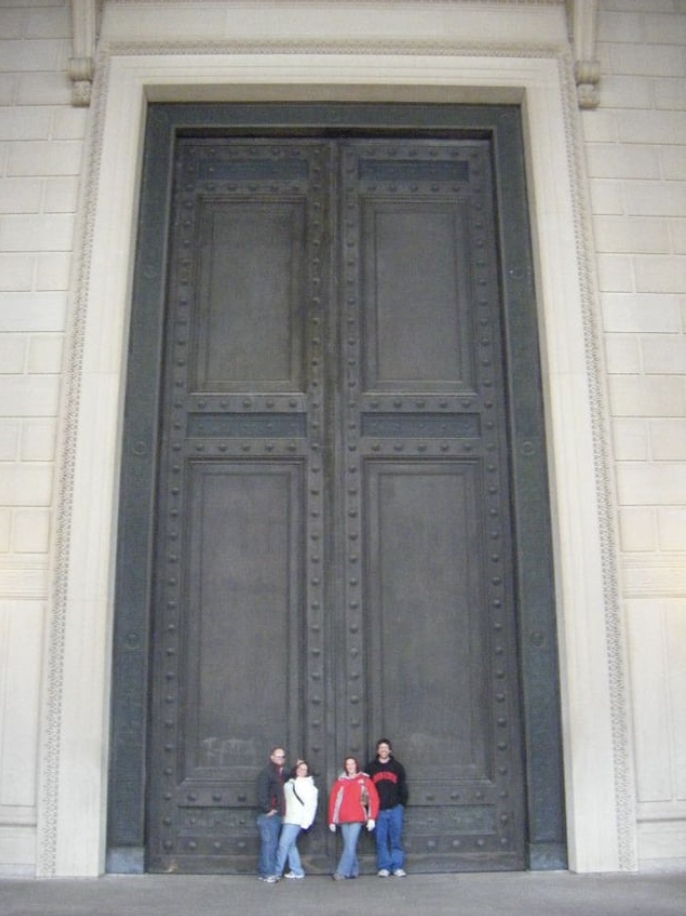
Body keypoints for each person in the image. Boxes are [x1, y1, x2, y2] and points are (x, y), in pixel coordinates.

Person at [266, 758, 319, 882]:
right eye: (300, 768)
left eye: (304, 770)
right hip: (288, 817)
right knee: (290, 845)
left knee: (283, 845)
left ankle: (276, 873)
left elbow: (311, 806)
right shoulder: (290, 782)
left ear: (307, 772)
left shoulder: (310, 787)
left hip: (296, 819)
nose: (301, 771)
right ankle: (297, 870)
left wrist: (306, 822)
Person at [328, 756, 379, 880]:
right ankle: (353, 871)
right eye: (348, 764)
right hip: (343, 818)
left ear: (356, 765)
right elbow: (334, 801)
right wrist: (331, 820)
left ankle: (341, 872)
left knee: (350, 845)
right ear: (345, 766)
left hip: (357, 817)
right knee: (349, 845)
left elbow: (372, 799)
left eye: (352, 764)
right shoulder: (340, 782)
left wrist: (372, 817)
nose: (350, 766)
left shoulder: (365, 780)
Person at [365, 738, 409, 877]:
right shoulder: (371, 768)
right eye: (381, 748)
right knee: (381, 839)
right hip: (378, 810)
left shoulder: (397, 767)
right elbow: (365, 789)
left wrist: (401, 803)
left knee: (396, 839)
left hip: (395, 808)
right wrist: (368, 808)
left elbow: (403, 786)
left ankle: (397, 866)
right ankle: (384, 867)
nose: (383, 750)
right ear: (378, 750)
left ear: (390, 750)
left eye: (386, 748)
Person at [256, 746, 286, 881]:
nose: (280, 759)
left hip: (275, 814)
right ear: (272, 757)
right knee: (270, 844)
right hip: (269, 815)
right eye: (278, 756)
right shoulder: (267, 773)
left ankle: (264, 872)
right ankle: (269, 873)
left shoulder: (278, 772)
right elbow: (261, 793)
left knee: (268, 843)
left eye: (282, 757)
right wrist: (268, 809)